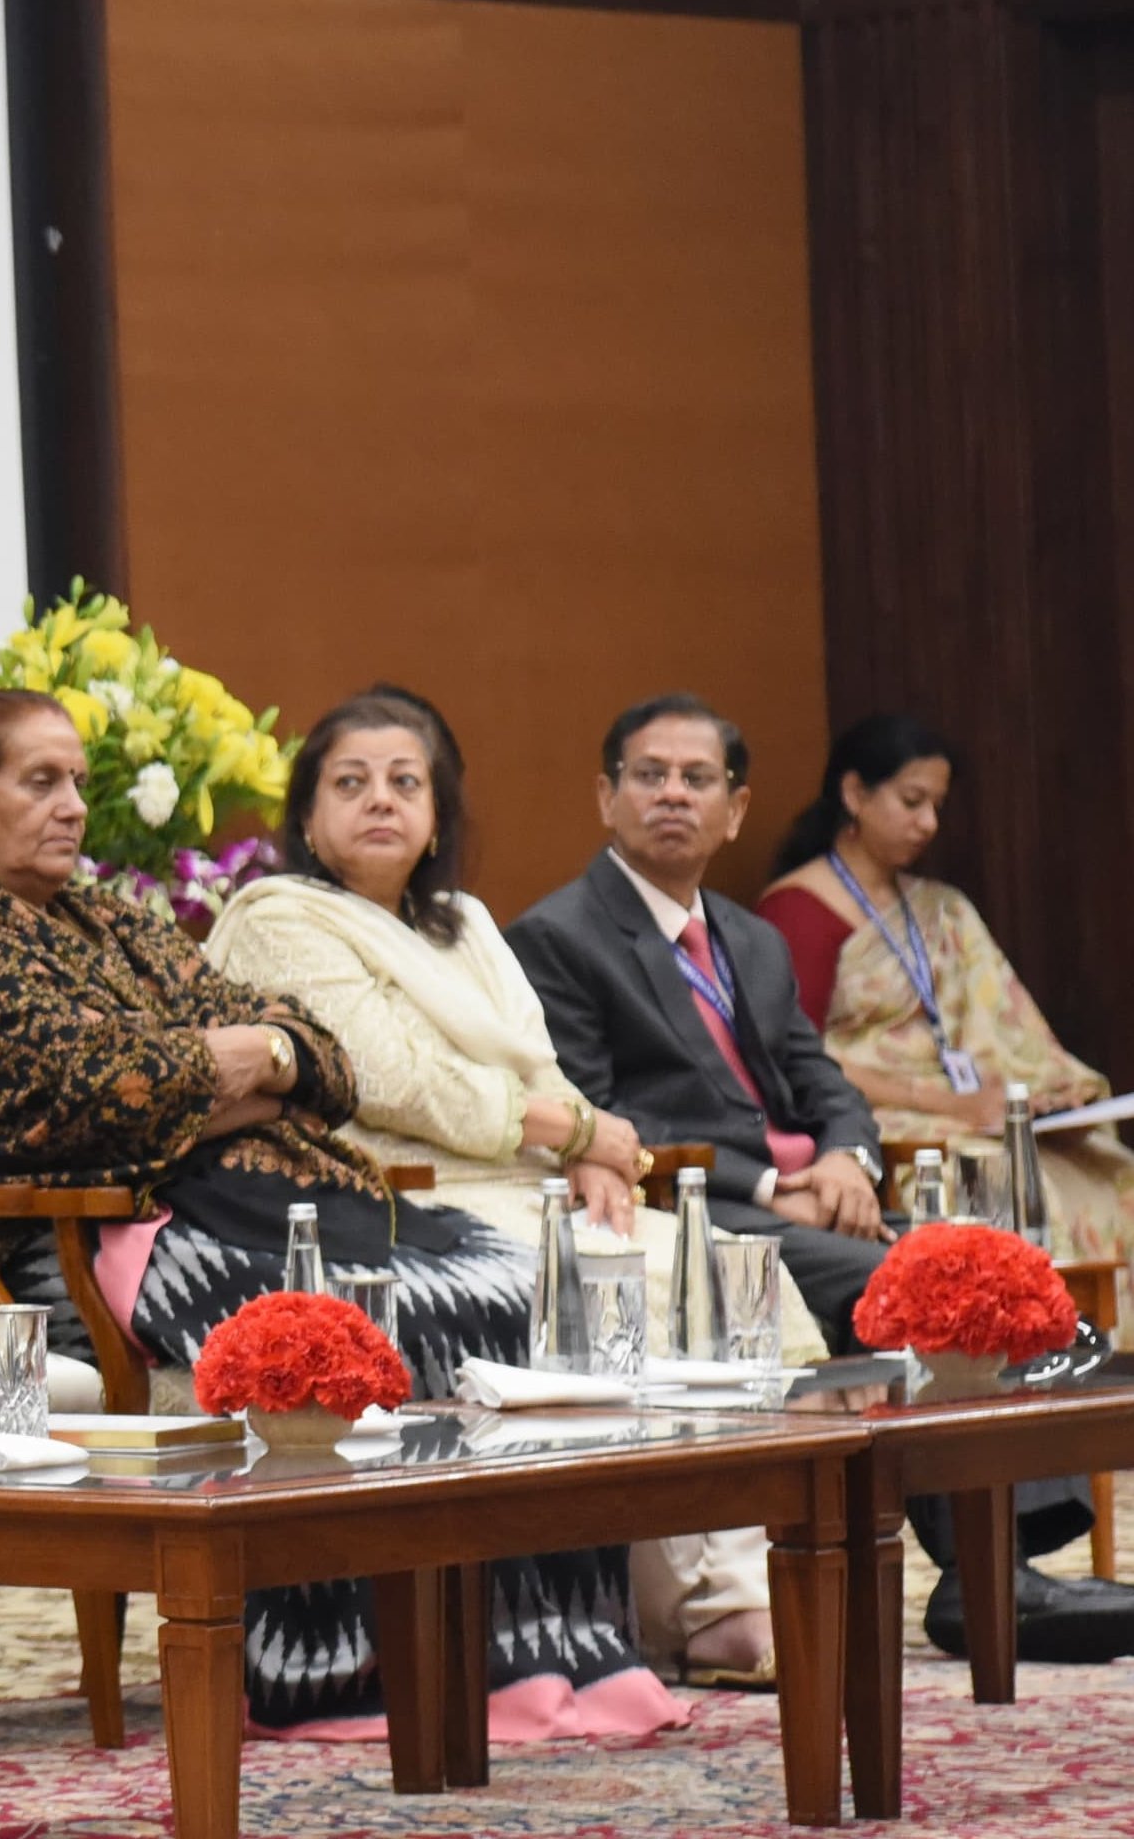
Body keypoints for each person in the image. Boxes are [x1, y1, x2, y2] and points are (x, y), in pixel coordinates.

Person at [0, 689, 671, 1734]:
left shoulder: (105, 919)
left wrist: (250, 1059)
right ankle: (334, 1657)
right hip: (77, 1250)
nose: (70, 806)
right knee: (369, 1322)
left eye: (77, 782)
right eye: (38, 781)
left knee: (510, 1287)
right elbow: (107, 1086)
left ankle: (529, 1645)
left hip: (233, 1197)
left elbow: (317, 1054)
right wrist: (233, 1068)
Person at [511, 693, 1134, 1664]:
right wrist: (769, 1185)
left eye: (696, 778)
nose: (670, 794)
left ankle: (992, 1566)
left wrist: (844, 1153)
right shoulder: (556, 938)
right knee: (915, 1291)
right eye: (647, 775)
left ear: (733, 807)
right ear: (605, 797)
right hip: (693, 1211)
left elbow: (821, 1080)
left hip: (809, 1198)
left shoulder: (745, 940)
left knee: (986, 1275)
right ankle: (987, 1579)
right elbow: (596, 1115)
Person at [209, 688, 777, 1688]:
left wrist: (593, 1152)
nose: (378, 801)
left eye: (403, 782)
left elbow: (538, 1066)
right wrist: (578, 1131)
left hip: (521, 1174)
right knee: (616, 1274)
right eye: (348, 783)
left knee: (710, 1263)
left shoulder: (463, 923)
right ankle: (684, 1609)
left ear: (436, 813)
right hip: (394, 1192)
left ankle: (714, 1598)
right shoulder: (275, 918)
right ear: (305, 814)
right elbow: (389, 1079)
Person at [755, 713, 1132, 1265]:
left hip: (972, 1110)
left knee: (1111, 1171)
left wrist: (1045, 1098)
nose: (929, 823)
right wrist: (948, 1105)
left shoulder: (942, 908)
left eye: (937, 805)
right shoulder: (797, 911)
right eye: (912, 802)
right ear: (855, 793)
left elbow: (1008, 1029)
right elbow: (793, 1060)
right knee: (1017, 1191)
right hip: (885, 1120)